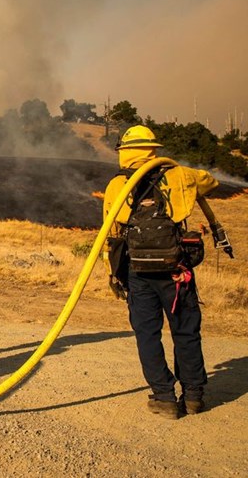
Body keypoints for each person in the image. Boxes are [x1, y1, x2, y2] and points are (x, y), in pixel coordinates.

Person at [103, 125, 220, 419]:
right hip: (176, 271)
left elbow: (110, 232)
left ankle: (164, 397)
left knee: (147, 334)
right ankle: (193, 396)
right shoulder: (180, 175)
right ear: (153, 148)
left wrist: (113, 274)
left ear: (125, 152)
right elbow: (211, 182)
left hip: (137, 272)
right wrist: (183, 176)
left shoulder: (117, 185)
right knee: (185, 331)